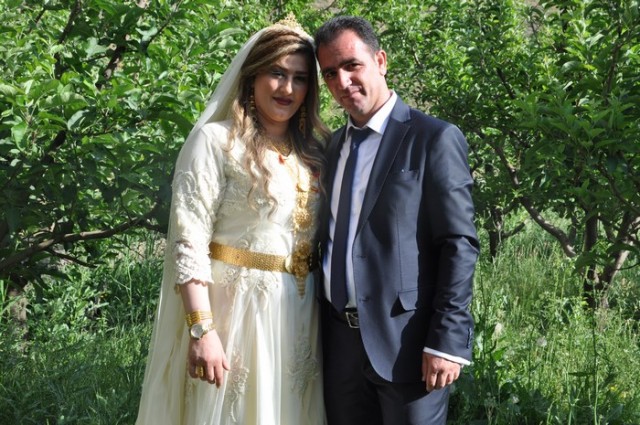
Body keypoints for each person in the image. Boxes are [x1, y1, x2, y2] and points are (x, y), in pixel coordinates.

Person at [136, 14, 330, 425]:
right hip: (236, 315)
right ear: (251, 76)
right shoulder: (215, 142)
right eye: (277, 73)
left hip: (300, 317)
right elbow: (188, 241)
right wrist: (201, 329)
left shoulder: (316, 152)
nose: (288, 88)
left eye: (299, 78)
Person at [314, 16, 480, 425]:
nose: (342, 81)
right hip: (339, 345)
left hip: (408, 344)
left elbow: (458, 243)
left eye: (352, 65)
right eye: (330, 73)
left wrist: (446, 341)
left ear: (381, 61)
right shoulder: (331, 148)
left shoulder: (433, 138)